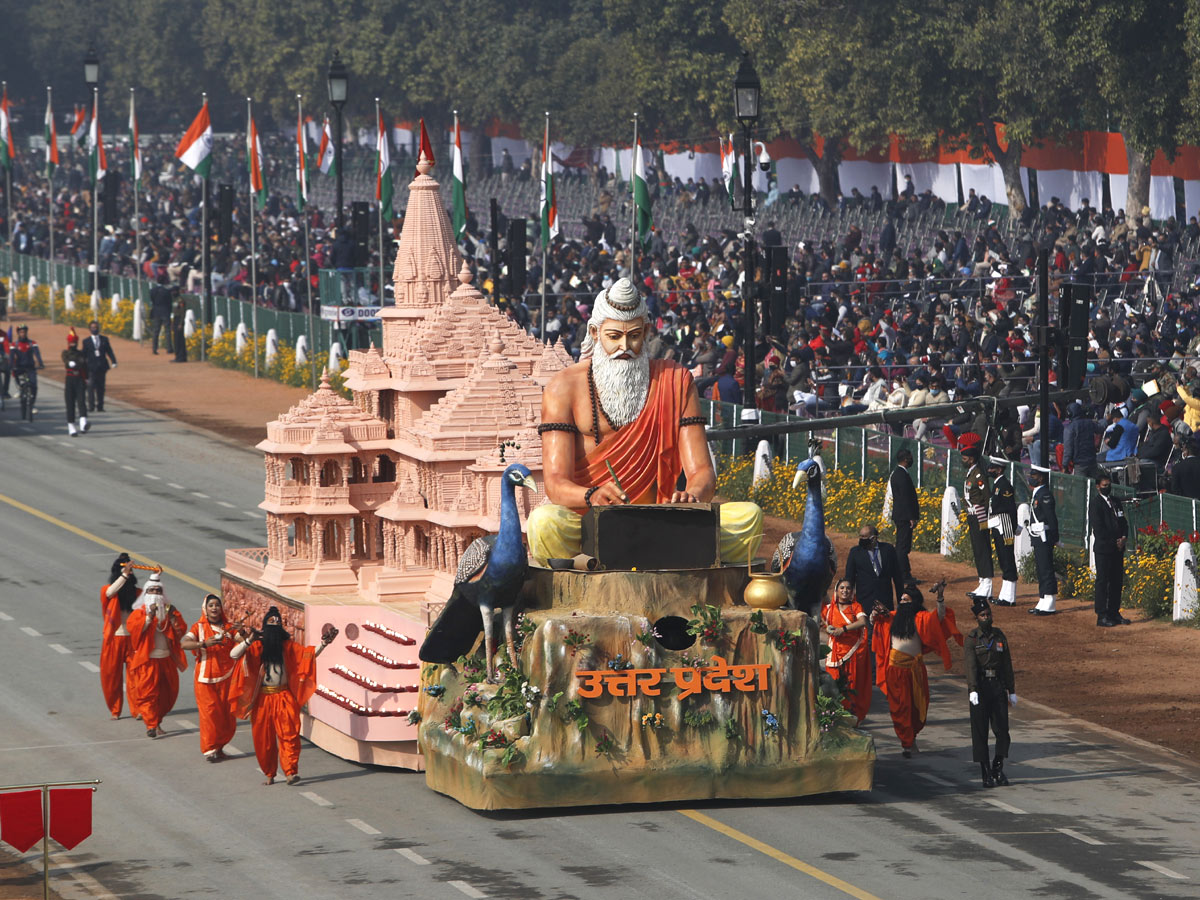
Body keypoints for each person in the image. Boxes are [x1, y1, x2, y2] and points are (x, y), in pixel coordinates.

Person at [527, 278, 763, 563]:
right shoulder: (563, 387)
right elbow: (555, 483)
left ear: (647, 332)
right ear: (594, 332)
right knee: (544, 523)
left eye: (634, 336)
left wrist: (691, 496)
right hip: (590, 522)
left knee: (747, 518)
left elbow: (702, 471)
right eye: (614, 336)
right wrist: (591, 495)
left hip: (660, 518)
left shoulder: (675, 380)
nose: (625, 346)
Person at [231, 606, 337, 785]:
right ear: (265, 627)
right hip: (263, 699)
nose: (275, 626)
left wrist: (324, 644)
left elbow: (308, 655)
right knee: (263, 738)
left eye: (278, 623)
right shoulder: (257, 646)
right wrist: (249, 640)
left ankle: (290, 772)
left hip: (283, 696)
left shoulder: (287, 646)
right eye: (271, 623)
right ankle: (269, 773)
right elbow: (233, 655)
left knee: (290, 735)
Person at [870, 584, 951, 757]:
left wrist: (940, 597)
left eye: (906, 600)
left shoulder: (921, 618)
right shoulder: (891, 617)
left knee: (918, 707)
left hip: (916, 670)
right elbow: (874, 622)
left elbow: (940, 617)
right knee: (900, 708)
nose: (902, 603)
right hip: (896, 670)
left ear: (915, 603)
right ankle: (907, 744)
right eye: (901, 600)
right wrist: (875, 614)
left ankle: (911, 736)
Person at [125, 572, 188, 737]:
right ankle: (151, 725)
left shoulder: (170, 613)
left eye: (158, 591)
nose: (155, 594)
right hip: (148, 661)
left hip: (166, 660)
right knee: (148, 694)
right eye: (151, 591)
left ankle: (157, 721)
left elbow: (181, 631)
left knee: (167, 694)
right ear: (146, 594)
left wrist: (173, 619)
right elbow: (134, 631)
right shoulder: (138, 614)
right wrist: (149, 618)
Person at [964, 596, 1016, 787]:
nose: (986, 617)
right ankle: (985, 772)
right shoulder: (972, 640)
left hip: (997, 687)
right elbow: (970, 666)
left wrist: (1011, 690)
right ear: (976, 618)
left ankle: (998, 767)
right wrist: (972, 689)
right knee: (980, 732)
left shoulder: (999, 636)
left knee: (1002, 730)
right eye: (982, 615)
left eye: (988, 614)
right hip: (980, 688)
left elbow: (1007, 664)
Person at [181, 594, 240, 762]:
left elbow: (242, 642)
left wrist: (242, 632)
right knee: (210, 714)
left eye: (217, 605)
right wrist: (204, 644)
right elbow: (184, 644)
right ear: (205, 609)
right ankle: (210, 749)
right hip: (205, 679)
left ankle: (219, 746)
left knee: (227, 716)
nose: (214, 608)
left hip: (227, 677)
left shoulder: (229, 627)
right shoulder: (198, 628)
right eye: (211, 605)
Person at [821, 578, 871, 723]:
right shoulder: (829, 609)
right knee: (832, 684)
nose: (845, 591)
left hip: (852, 652)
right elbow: (822, 622)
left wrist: (842, 630)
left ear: (852, 592)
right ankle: (834, 717)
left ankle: (851, 718)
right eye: (842, 588)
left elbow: (862, 622)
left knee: (851, 685)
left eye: (848, 588)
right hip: (834, 653)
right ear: (836, 591)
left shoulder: (856, 607)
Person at [100, 554, 141, 720]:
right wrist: (125, 574)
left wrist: (156, 578)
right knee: (112, 677)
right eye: (122, 571)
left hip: (133, 640)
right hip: (114, 639)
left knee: (136, 677)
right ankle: (115, 710)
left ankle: (137, 709)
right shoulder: (107, 591)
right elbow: (111, 591)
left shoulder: (138, 593)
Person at [1089, 474, 1131, 627]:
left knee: (1116, 581)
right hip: (1104, 549)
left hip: (1118, 549)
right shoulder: (1095, 504)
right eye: (1104, 485)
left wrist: (1124, 537)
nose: (1107, 488)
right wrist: (1115, 542)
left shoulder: (1116, 502)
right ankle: (1102, 615)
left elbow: (1123, 522)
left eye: (1109, 485)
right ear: (1098, 486)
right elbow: (1099, 528)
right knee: (1103, 581)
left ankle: (1114, 612)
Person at [844, 524, 904, 613]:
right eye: (860, 536)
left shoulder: (888, 549)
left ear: (873, 538)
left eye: (864, 537)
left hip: (885, 601)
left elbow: (897, 577)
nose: (861, 539)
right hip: (864, 602)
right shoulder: (855, 552)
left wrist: (901, 601)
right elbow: (849, 577)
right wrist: (847, 601)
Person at [960, 441, 994, 601]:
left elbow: (986, 497)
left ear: (972, 459)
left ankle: (987, 583)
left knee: (983, 548)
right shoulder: (971, 473)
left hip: (979, 515)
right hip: (972, 515)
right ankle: (982, 581)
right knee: (977, 549)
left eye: (965, 458)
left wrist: (986, 518)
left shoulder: (979, 475)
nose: (963, 460)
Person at [1026, 466, 1061, 615]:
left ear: (1041, 477)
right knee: (1041, 568)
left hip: (1045, 535)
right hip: (1037, 535)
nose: (1031, 477)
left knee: (1046, 569)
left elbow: (1051, 518)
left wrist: (1054, 537)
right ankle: (1043, 598)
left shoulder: (1045, 494)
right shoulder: (1037, 493)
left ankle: (1050, 600)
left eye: (1034, 475)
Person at [986, 457, 1019, 606]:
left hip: (1005, 525)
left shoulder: (1004, 485)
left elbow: (1010, 508)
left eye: (992, 468)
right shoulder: (997, 484)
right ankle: (1005, 594)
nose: (989, 470)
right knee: (1002, 558)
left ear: (999, 470)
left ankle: (1010, 596)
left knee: (1007, 559)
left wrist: (1013, 527)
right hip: (998, 524)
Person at [889, 449, 920, 583]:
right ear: (906, 459)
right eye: (910, 457)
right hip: (904, 516)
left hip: (901, 515)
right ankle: (903, 575)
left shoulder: (898, 473)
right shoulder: (901, 475)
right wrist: (911, 517)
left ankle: (902, 573)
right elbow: (905, 498)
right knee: (902, 546)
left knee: (902, 545)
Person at [81, 319, 117, 412]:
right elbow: (84, 354)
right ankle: (91, 406)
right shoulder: (86, 341)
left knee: (101, 387)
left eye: (96, 328)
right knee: (91, 387)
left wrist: (113, 361)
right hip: (91, 368)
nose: (94, 329)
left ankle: (100, 406)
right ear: (89, 329)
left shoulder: (104, 339)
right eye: (92, 328)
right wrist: (81, 365)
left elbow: (109, 351)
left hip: (102, 366)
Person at [9, 323, 44, 413]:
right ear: (18, 333)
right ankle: (20, 389)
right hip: (19, 367)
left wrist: (40, 363)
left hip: (30, 367)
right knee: (16, 375)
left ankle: (32, 405)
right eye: (21, 332)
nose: (23, 334)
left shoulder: (32, 343)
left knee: (34, 386)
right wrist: (12, 365)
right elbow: (12, 357)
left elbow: (37, 354)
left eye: (24, 332)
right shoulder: (14, 344)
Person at [61, 328, 89, 436]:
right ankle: (71, 426)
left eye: (75, 342)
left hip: (80, 380)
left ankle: (83, 423)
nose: (73, 344)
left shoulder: (81, 353)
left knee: (81, 402)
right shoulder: (65, 353)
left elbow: (83, 365)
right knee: (70, 404)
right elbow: (67, 362)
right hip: (70, 380)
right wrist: (75, 363)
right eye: (71, 342)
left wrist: (86, 378)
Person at [148, 276, 174, 355]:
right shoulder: (166, 291)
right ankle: (169, 348)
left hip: (156, 312)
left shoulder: (153, 291)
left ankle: (154, 348)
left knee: (156, 331)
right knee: (167, 331)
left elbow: (152, 300)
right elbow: (169, 302)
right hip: (165, 311)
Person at [171, 297, 188, 362]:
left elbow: (183, 313)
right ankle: (178, 356)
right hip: (175, 320)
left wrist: (180, 323)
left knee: (179, 340)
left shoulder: (180, 300)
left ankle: (181, 357)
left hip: (179, 321)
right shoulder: (175, 300)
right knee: (176, 340)